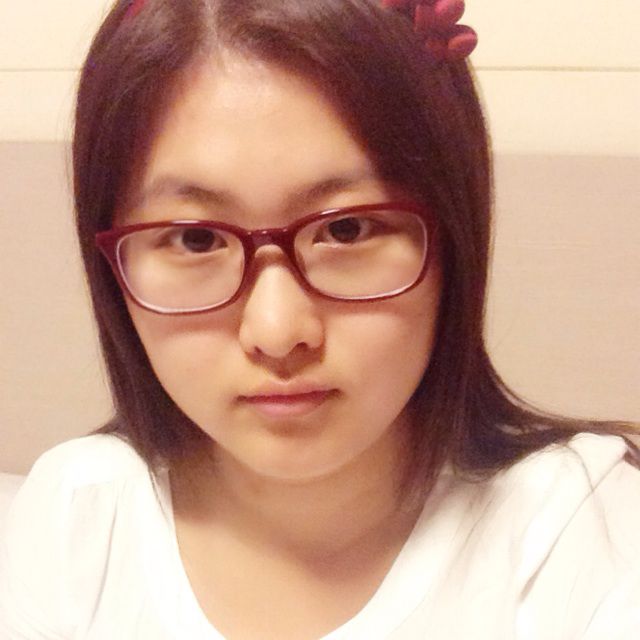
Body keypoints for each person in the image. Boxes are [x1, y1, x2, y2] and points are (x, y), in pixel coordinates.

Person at [1, 1, 639, 638]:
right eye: (196, 240)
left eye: (347, 229)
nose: (277, 332)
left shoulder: (577, 532)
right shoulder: (77, 516)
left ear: (455, 238)